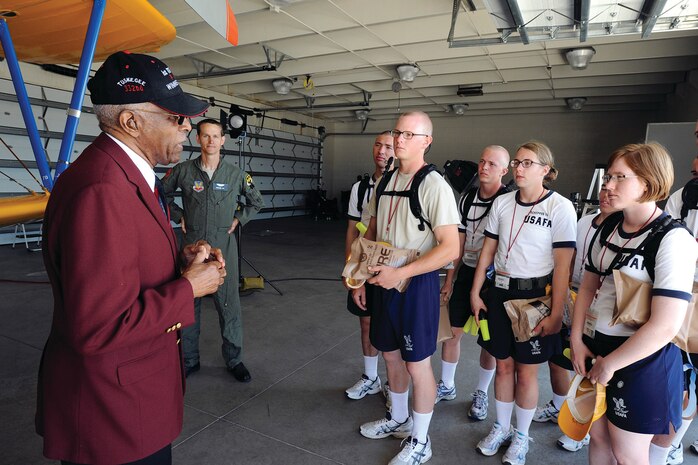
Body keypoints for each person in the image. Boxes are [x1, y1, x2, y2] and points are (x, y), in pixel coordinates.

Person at [36, 51, 226, 465]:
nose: (188, 126)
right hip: (113, 414)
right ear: (131, 121)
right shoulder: (103, 189)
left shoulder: (126, 173)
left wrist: (179, 263)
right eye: (177, 117)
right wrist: (189, 287)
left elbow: (119, 268)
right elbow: (98, 327)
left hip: (133, 398)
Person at [570, 143, 697, 465]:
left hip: (641, 359)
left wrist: (611, 364)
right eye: (608, 177)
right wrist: (576, 340)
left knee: (628, 452)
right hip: (596, 346)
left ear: (648, 181)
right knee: (597, 438)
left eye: (620, 178)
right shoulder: (609, 227)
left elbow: (666, 324)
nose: (608, 186)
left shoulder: (673, 238)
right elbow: (588, 287)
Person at [354, 111, 460, 465]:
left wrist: (403, 274)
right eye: (398, 132)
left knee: (418, 364)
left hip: (415, 285)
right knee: (390, 355)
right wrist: (357, 275)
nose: (399, 140)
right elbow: (369, 231)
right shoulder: (384, 180)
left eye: (409, 135)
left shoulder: (434, 186)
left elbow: (449, 248)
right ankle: (398, 419)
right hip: (381, 278)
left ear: (426, 141)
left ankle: (420, 440)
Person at [470, 141, 577, 465]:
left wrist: (557, 313)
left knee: (527, 373)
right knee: (502, 365)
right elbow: (487, 251)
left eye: (528, 163)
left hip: (533, 299)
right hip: (499, 293)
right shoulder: (502, 204)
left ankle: (521, 435)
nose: (519, 168)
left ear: (546, 170)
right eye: (517, 162)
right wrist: (476, 292)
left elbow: (562, 267)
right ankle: (501, 427)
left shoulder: (559, 208)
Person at [162, 118, 264, 382]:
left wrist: (238, 219)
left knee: (229, 304)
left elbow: (257, 200)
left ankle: (234, 359)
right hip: (191, 248)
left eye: (215, 136)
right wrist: (177, 214)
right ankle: (189, 359)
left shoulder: (236, 175)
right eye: (205, 136)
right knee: (188, 303)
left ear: (223, 140)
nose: (210, 141)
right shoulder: (183, 171)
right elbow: (159, 193)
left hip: (224, 249)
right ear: (198, 139)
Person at [533, 187, 615, 453]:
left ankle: (586, 427)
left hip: (601, 303)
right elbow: (567, 261)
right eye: (603, 188)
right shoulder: (583, 222)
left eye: (611, 188)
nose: (605, 193)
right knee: (558, 356)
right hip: (572, 295)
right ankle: (559, 405)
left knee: (588, 367)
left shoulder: (622, 229)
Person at [437, 145, 510, 422]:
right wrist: (450, 278)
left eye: (492, 164)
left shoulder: (508, 202)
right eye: (481, 161)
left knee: (488, 341)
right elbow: (461, 239)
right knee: (452, 332)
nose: (484, 167)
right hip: (466, 269)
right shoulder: (467, 199)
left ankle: (480, 392)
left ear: (504, 170)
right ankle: (447, 384)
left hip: (493, 277)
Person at [654, 152, 698, 465]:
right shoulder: (682, 197)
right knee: (678, 376)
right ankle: (670, 441)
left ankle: (674, 442)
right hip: (681, 294)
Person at [343, 131, 394, 400]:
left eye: (388, 146)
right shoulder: (359, 188)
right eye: (378, 144)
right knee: (366, 322)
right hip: (364, 266)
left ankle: (394, 383)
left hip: (392, 268)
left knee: (390, 327)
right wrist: (351, 270)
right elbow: (352, 231)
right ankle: (371, 377)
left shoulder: (401, 186)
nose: (382, 151)